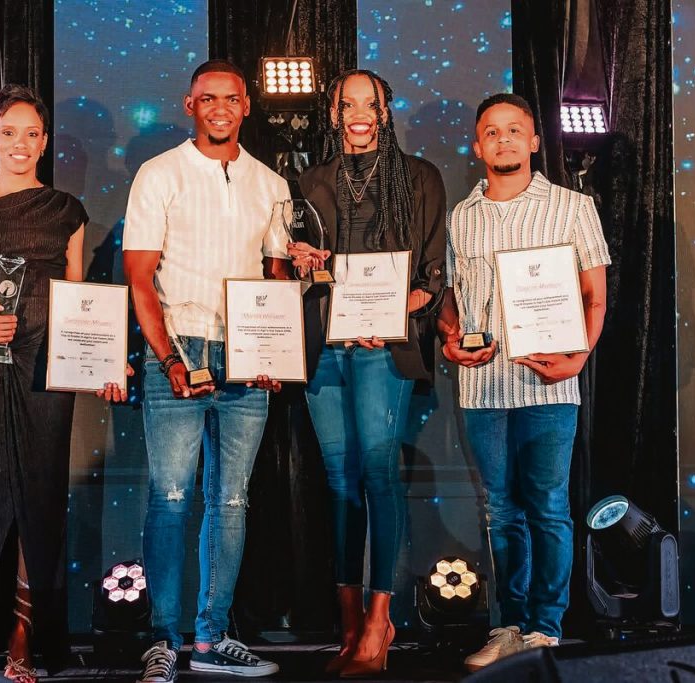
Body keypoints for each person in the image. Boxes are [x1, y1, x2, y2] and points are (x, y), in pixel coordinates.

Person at [0, 84, 129, 682]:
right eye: (8, 132)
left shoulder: (66, 210)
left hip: (49, 366)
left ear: (44, 140)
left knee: (40, 501)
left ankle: (24, 636)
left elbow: (76, 298)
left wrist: (102, 361)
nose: (20, 144)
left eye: (32, 133)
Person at [122, 60, 290, 683]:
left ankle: (213, 638)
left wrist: (272, 352)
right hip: (179, 348)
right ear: (189, 103)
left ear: (247, 106)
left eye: (232, 98)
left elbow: (275, 280)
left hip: (245, 355)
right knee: (170, 498)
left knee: (232, 500)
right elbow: (140, 277)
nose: (220, 107)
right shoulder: (158, 173)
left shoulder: (271, 184)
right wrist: (168, 358)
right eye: (207, 98)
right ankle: (163, 640)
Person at [438, 93, 611, 672]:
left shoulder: (571, 207)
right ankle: (509, 625)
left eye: (516, 130)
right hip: (484, 388)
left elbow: (595, 294)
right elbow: (453, 302)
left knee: (548, 508)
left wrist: (578, 357)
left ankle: (546, 628)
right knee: (501, 512)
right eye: (492, 132)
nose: (504, 140)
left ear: (535, 141)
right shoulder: (460, 217)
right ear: (478, 144)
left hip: (549, 387)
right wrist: (449, 336)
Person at [287, 69, 446, 677]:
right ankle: (349, 627)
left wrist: (393, 310)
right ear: (333, 112)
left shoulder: (419, 177)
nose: (358, 113)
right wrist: (301, 262)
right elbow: (299, 272)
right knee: (339, 482)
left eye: (369, 103)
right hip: (325, 349)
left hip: (384, 348)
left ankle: (380, 625)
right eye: (346, 103)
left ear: (385, 110)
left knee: (379, 475)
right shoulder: (309, 181)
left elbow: (432, 272)